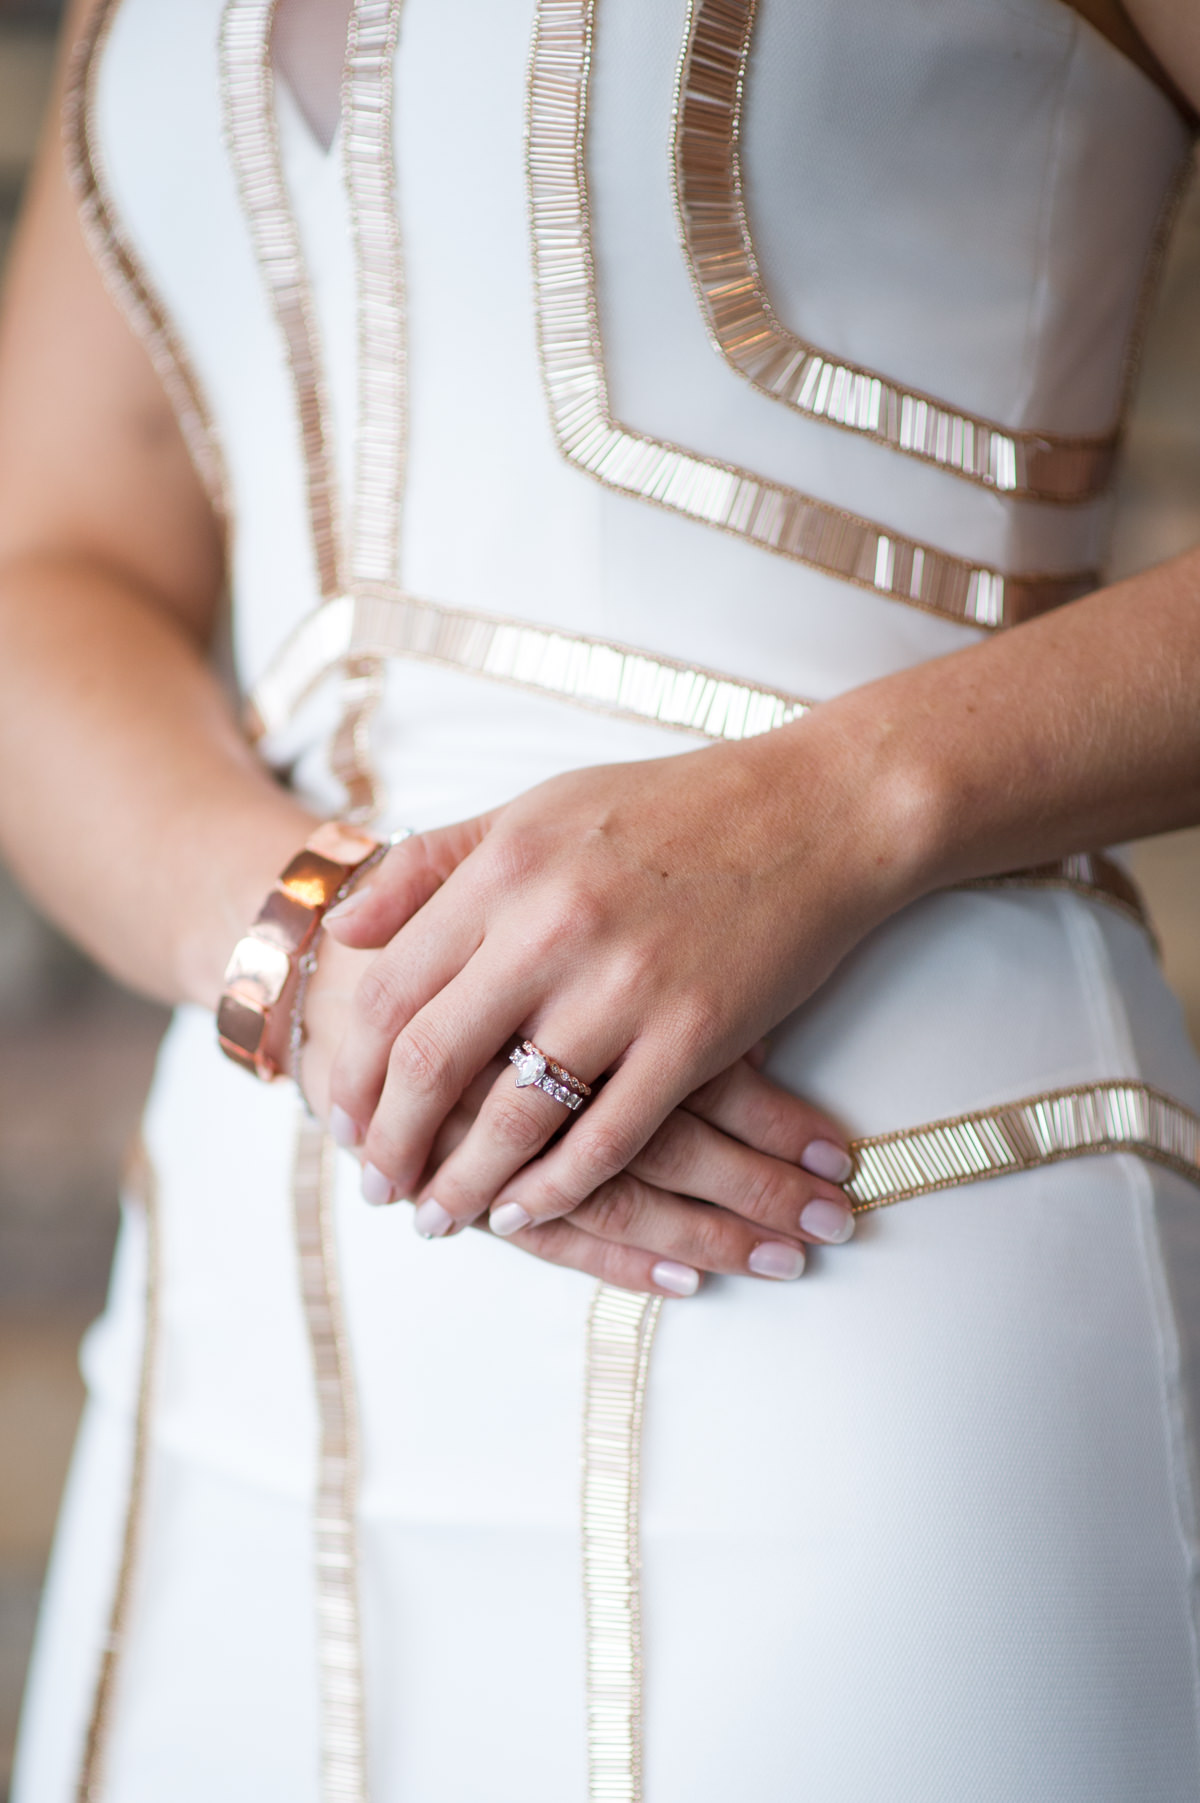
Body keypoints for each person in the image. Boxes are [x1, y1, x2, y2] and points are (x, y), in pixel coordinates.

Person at [3, 0, 1200, 1797]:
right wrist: (314, 949)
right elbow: (52, 564)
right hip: (268, 1266)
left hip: (868, 1227)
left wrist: (834, 799)